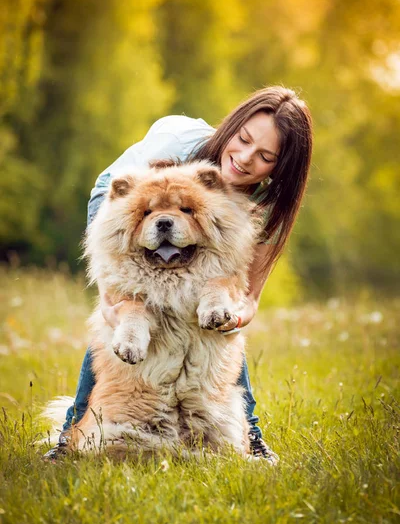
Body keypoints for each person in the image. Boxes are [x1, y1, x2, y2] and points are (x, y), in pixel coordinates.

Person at [44, 85, 313, 464]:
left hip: (195, 247)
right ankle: (70, 435)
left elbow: (247, 298)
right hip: (118, 207)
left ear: (280, 167)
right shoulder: (182, 139)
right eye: (244, 139)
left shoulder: (267, 204)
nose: (245, 158)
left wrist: (230, 317)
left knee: (218, 318)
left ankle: (249, 433)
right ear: (232, 126)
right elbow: (113, 190)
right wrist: (114, 298)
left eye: (265, 156)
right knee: (121, 321)